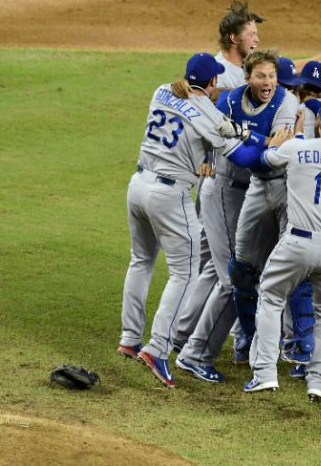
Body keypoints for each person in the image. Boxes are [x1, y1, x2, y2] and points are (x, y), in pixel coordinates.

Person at [116, 52, 274, 388]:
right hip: (167, 196)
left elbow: (196, 114)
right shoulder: (207, 113)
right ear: (213, 82)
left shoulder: (162, 89)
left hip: (138, 185)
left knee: (141, 262)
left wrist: (229, 129)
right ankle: (157, 348)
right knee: (184, 272)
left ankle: (130, 338)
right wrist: (259, 139)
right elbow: (243, 157)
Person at [173, 48, 299, 381]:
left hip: (258, 191)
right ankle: (197, 351)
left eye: (271, 76)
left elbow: (277, 147)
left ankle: (184, 335)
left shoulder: (285, 102)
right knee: (231, 276)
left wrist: (245, 134)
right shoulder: (229, 100)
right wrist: (205, 155)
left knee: (225, 273)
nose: (267, 81)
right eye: (261, 75)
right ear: (248, 77)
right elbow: (211, 133)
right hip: (224, 190)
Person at [244, 101, 321, 405]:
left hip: (298, 242)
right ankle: (318, 383)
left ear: (319, 123)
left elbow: (267, 158)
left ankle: (265, 373)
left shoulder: (299, 147)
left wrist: (294, 137)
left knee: (271, 297)